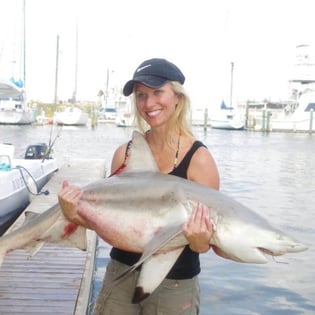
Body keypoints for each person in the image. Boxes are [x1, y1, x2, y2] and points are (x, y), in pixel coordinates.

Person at [58, 58, 220, 314]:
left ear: (177, 96)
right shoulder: (125, 154)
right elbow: (111, 224)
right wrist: (73, 214)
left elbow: (204, 245)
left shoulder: (199, 160)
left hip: (174, 284)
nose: (149, 103)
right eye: (141, 95)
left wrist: (200, 241)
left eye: (158, 92)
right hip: (121, 273)